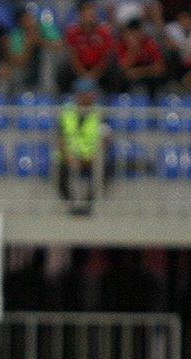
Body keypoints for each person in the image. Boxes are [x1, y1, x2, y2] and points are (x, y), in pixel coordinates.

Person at [57, 77, 110, 216]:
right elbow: (59, 138)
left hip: (91, 158)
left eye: (90, 94)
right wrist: (67, 156)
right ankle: (71, 204)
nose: (87, 97)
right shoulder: (66, 112)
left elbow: (105, 138)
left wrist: (92, 157)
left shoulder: (99, 112)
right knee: (59, 172)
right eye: (84, 94)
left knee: (104, 169)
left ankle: (88, 204)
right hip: (69, 157)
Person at [57, 0, 115, 94]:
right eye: (85, 14)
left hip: (99, 67)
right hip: (79, 67)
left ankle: (113, 98)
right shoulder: (72, 32)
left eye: (91, 14)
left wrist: (93, 74)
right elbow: (73, 57)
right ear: (80, 15)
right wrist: (83, 74)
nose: (88, 17)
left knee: (113, 70)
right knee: (63, 70)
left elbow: (104, 57)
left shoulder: (104, 32)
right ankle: (64, 97)